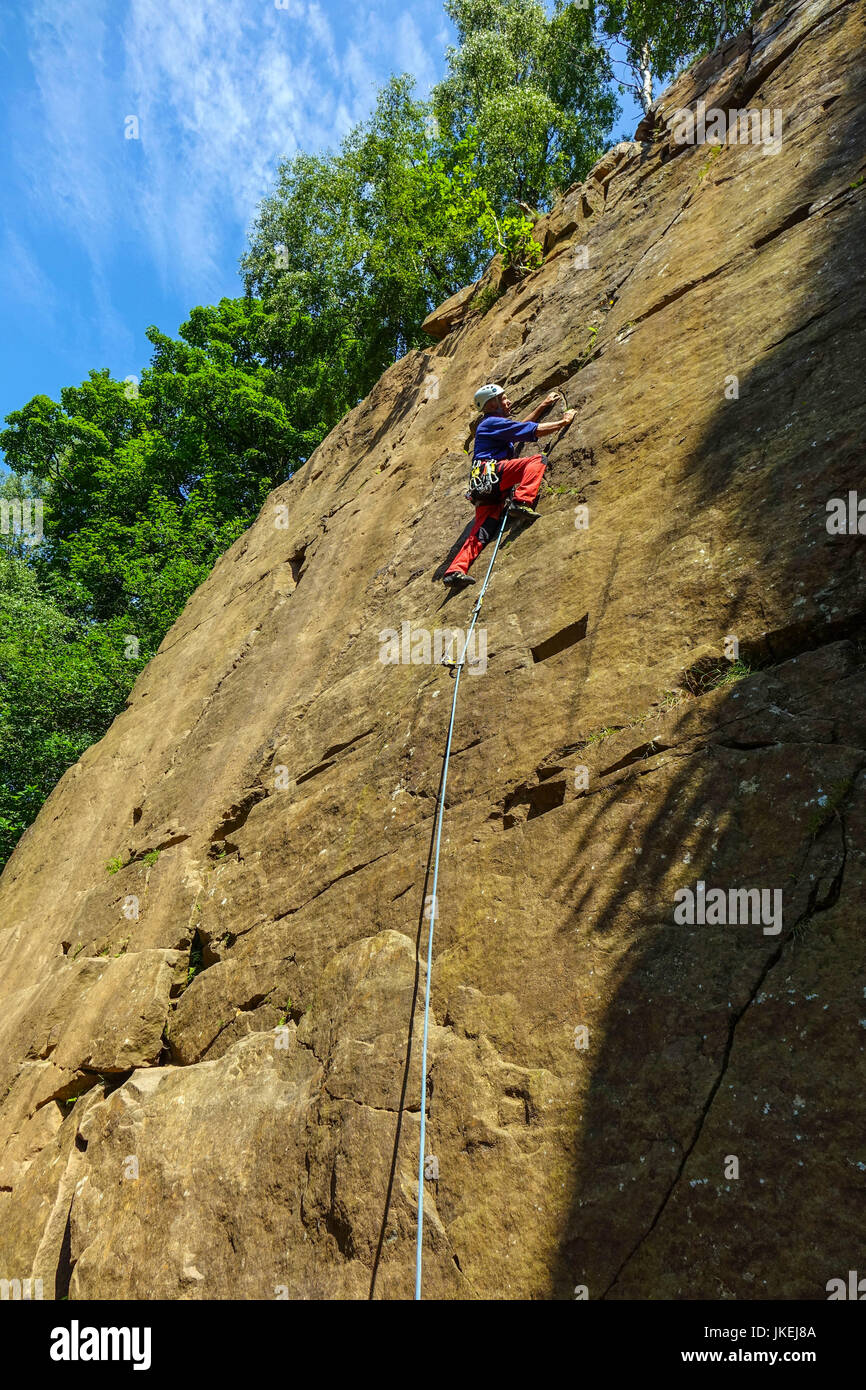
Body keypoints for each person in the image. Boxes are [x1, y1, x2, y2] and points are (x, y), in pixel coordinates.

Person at [443, 384, 575, 587]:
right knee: (537, 461)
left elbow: (518, 430)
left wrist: (542, 406)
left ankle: (455, 571)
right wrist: (563, 422)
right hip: (492, 474)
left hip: (483, 488)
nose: (509, 401)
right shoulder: (492, 422)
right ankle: (521, 502)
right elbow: (531, 431)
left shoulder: (492, 425)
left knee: (482, 531)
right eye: (504, 398)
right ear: (492, 403)